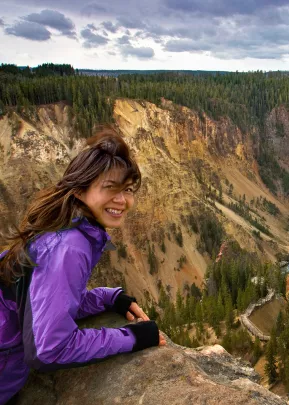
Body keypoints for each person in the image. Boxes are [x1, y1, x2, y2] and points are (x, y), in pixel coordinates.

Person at [0, 127, 166, 405]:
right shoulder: (69, 246)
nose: (122, 201)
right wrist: (131, 338)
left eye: (127, 190)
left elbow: (41, 301)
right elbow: (48, 350)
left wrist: (106, 298)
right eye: (110, 188)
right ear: (79, 191)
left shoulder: (63, 228)